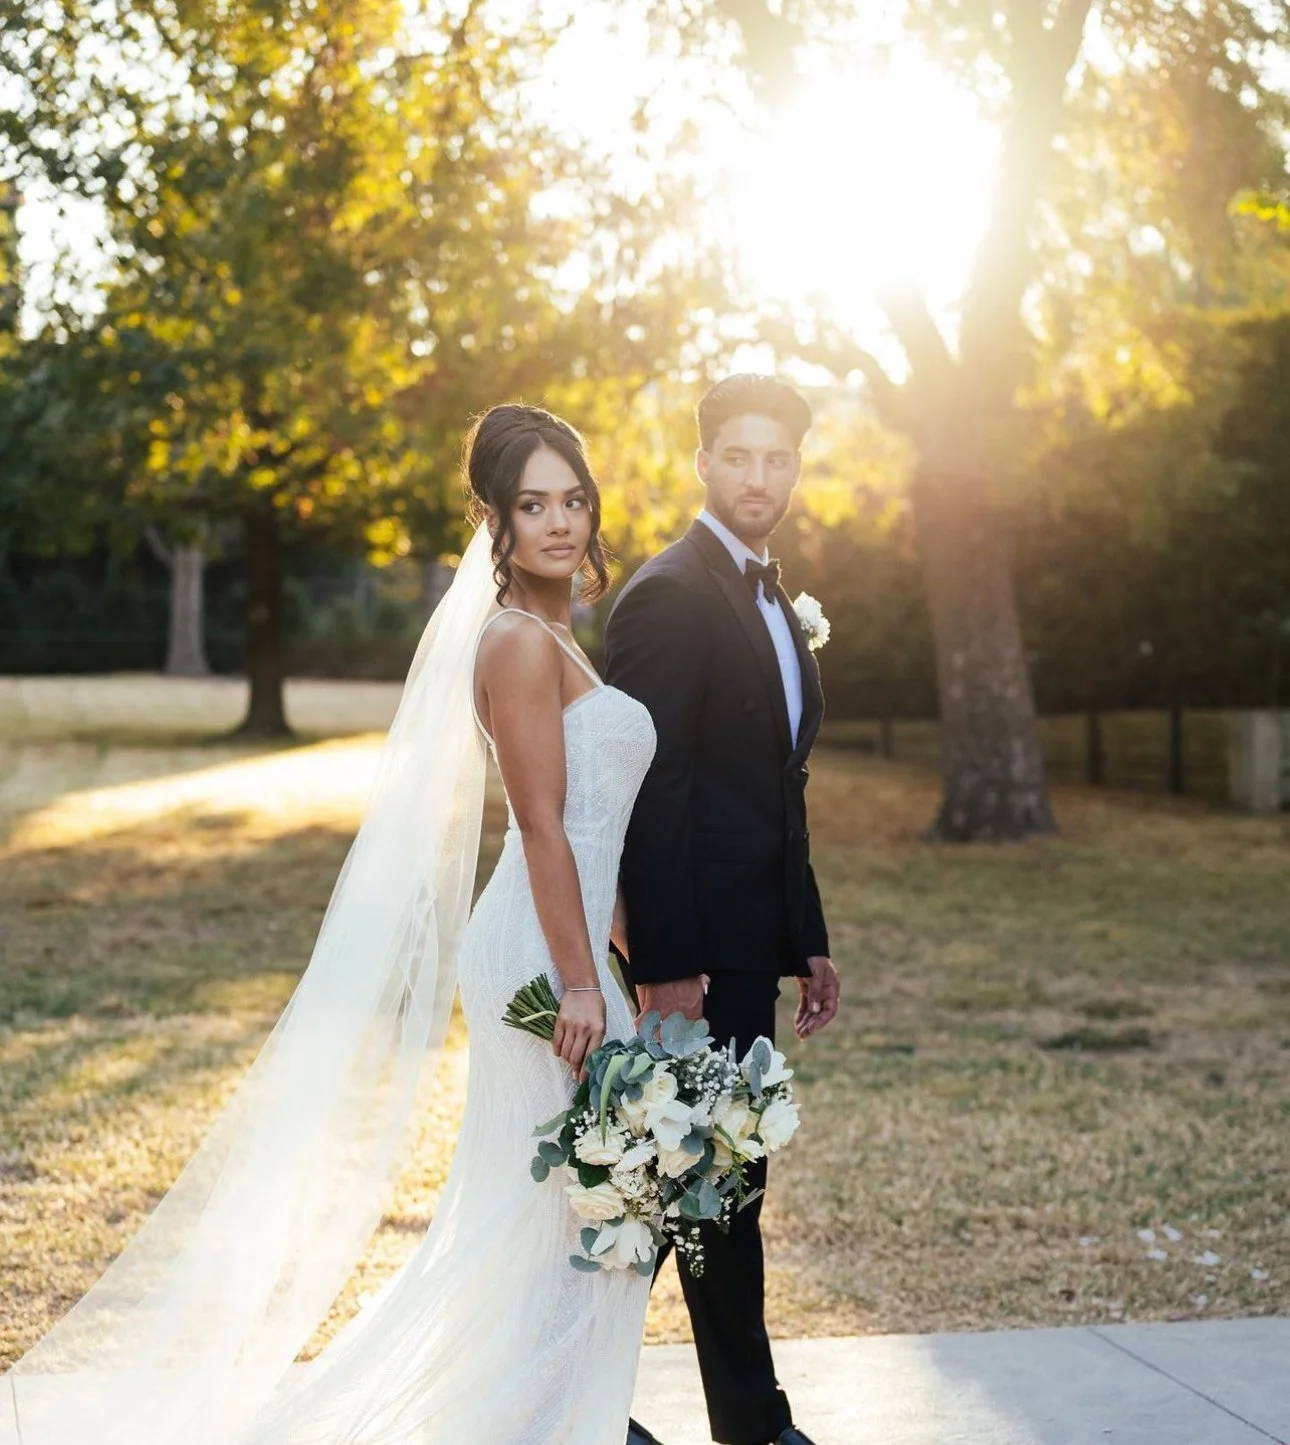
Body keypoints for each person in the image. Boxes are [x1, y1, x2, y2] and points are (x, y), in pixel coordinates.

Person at [2, 404, 658, 1445]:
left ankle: (557, 1418)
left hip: (578, 946)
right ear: (493, 519)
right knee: (562, 1213)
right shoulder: (518, 644)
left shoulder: (559, 636)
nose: (561, 523)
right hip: (542, 956)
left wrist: (631, 963)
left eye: (573, 499)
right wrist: (582, 980)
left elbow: (596, 827)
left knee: (574, 1214)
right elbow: (540, 826)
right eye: (534, 504)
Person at [605, 374, 842, 1445]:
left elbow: (772, 786)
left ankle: (694, 1415)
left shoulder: (771, 595)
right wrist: (666, 962)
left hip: (751, 945)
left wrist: (809, 935)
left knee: (700, 1189)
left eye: (779, 458)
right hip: (691, 955)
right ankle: (603, 1406)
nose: (761, 477)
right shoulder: (668, 593)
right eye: (740, 456)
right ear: (704, 461)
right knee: (694, 1191)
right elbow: (656, 789)